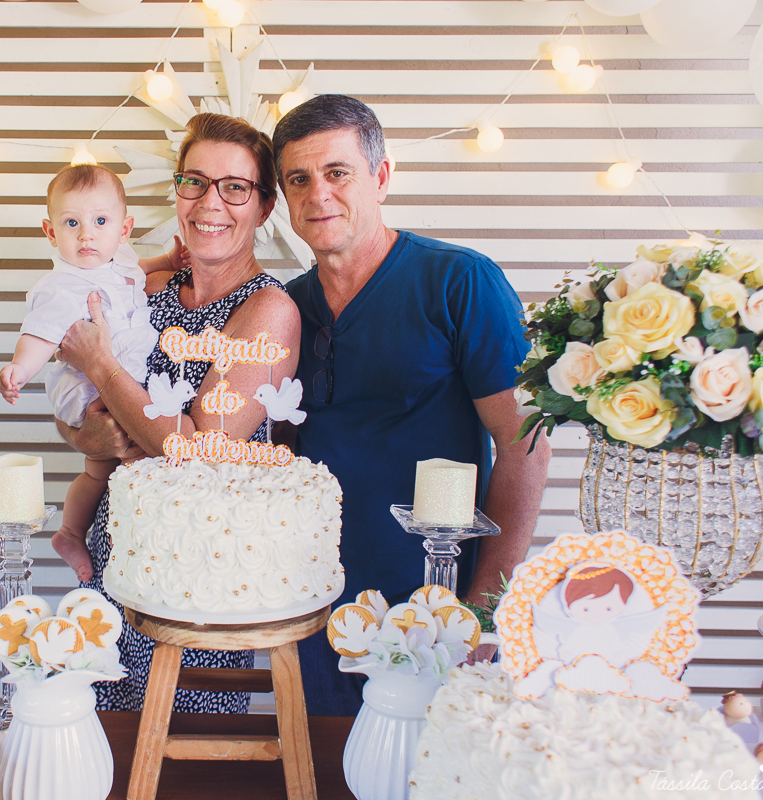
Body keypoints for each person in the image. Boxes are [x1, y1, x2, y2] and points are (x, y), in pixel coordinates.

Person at [272, 94, 552, 716]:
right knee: (329, 761)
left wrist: (483, 610)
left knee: (436, 763)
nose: (318, 194)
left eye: (337, 172)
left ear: (381, 177)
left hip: (437, 606)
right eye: (298, 179)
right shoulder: (285, 307)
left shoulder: (460, 282)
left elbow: (524, 445)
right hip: (315, 603)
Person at [55, 112, 301, 712]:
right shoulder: (147, 290)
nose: (209, 202)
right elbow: (73, 404)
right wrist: (94, 436)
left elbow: (195, 448)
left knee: (186, 741)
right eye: (194, 181)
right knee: (99, 733)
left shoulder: (268, 311)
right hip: (116, 554)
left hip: (199, 574)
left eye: (235, 187)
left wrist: (103, 367)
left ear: (264, 207)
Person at [0, 164, 187, 581]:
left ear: (124, 229)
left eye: (101, 222)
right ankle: (71, 532)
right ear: (51, 232)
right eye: (72, 223)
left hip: (120, 378)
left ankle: (125, 542)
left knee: (116, 466)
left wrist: (168, 260)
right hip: (85, 387)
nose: (87, 235)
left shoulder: (120, 262)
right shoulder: (61, 288)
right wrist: (20, 368)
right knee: (105, 465)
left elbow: (137, 270)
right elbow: (39, 334)